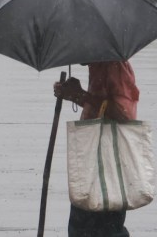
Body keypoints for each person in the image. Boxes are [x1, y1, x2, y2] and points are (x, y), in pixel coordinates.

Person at [53, 61, 139, 237]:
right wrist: (74, 95)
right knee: (82, 227)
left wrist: (81, 95)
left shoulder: (115, 65)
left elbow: (124, 115)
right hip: (91, 159)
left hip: (109, 164)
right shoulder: (97, 64)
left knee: (103, 229)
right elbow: (101, 107)